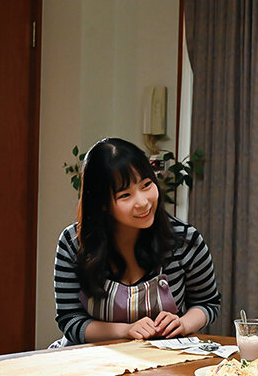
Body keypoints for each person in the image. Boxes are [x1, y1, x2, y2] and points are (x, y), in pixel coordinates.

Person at [52, 137, 221, 347]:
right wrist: (126, 330)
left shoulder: (185, 241)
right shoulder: (73, 243)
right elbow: (69, 320)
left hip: (161, 358)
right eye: (125, 195)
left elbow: (208, 302)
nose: (142, 202)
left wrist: (183, 324)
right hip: (88, 360)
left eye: (146, 185)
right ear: (102, 203)